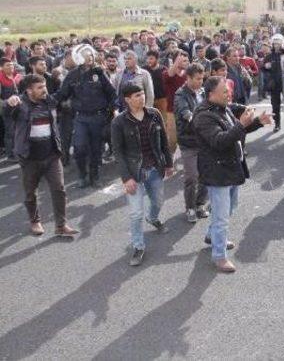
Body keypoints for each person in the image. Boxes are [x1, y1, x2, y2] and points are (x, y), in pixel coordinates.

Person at [193, 75, 272, 273]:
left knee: (230, 206)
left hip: (230, 167)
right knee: (221, 217)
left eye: (229, 90)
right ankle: (219, 256)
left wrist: (258, 122)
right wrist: (242, 124)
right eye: (225, 91)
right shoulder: (203, 116)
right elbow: (220, 141)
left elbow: (236, 132)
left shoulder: (222, 108)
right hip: (217, 171)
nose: (229, 94)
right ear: (211, 94)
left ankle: (212, 236)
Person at [4, 75, 78, 237]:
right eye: (39, 87)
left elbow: (63, 92)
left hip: (51, 155)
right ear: (29, 90)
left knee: (59, 189)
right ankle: (35, 221)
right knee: (31, 192)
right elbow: (6, 109)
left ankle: (61, 225)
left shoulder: (49, 100)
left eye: (44, 86)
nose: (44, 89)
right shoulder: (20, 105)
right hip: (30, 157)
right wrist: (9, 102)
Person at [111, 84, 173, 266]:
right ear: (127, 99)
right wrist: (126, 178)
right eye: (137, 95)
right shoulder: (119, 122)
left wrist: (168, 163)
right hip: (134, 173)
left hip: (155, 169)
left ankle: (153, 218)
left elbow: (163, 142)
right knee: (136, 214)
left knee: (158, 202)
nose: (142, 97)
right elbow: (118, 153)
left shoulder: (154, 114)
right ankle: (138, 246)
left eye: (142, 94)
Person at [53, 44, 116, 188]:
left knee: (96, 150)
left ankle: (95, 176)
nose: (91, 57)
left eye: (92, 55)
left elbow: (112, 94)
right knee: (79, 147)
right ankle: (82, 175)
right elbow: (61, 94)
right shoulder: (72, 75)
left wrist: (113, 111)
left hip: (99, 118)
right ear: (79, 57)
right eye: (87, 55)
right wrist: (45, 100)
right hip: (81, 118)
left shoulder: (100, 73)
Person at [174, 63, 209, 223]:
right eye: (197, 79)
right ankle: (190, 208)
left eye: (202, 78)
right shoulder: (180, 95)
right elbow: (184, 112)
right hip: (188, 142)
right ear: (188, 78)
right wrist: (195, 119)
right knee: (192, 177)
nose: (201, 82)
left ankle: (200, 204)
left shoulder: (203, 91)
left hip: (204, 141)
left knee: (206, 175)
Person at [0, 58, 23, 162]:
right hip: (7, 109)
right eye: (7, 65)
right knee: (10, 132)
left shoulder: (17, 75)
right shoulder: (0, 79)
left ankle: (18, 151)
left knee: (19, 130)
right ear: (2, 67)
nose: (11, 67)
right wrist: (7, 102)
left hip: (19, 107)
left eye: (11, 65)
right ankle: (11, 155)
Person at [263, 34, 284, 131]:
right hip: (274, 84)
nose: (276, 45)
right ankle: (277, 124)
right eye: (275, 44)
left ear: (282, 44)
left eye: (278, 44)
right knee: (275, 105)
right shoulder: (269, 56)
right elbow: (262, 68)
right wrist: (265, 66)